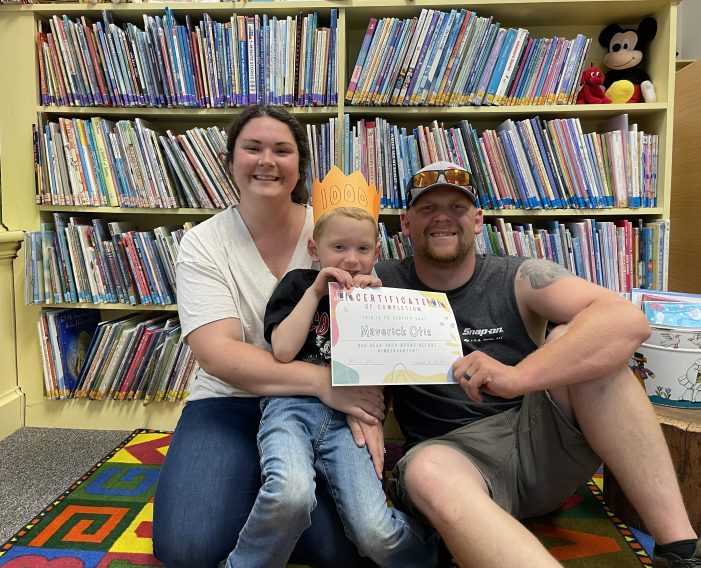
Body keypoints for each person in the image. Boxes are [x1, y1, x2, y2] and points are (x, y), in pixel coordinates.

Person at [375, 160, 701, 568]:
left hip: (537, 441)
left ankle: (681, 551)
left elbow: (626, 321)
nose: (442, 217)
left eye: (457, 208)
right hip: (451, 458)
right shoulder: (377, 281)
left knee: (584, 342)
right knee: (424, 471)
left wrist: (518, 377)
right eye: (427, 208)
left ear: (479, 221)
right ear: (405, 223)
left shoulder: (520, 276)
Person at [152, 105, 386, 568]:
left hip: (324, 411)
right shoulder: (203, 242)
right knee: (187, 549)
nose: (267, 160)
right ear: (230, 160)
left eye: (283, 150)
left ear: (300, 163)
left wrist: (369, 410)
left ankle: (271, 493)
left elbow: (372, 331)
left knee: (345, 551)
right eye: (252, 148)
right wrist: (324, 382)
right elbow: (218, 355)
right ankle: (261, 487)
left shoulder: (337, 230)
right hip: (230, 400)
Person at [223, 204, 437, 567]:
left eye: (363, 249)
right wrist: (316, 293)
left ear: (376, 252)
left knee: (374, 531)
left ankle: (434, 553)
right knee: (290, 494)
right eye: (338, 248)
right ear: (314, 249)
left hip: (346, 423)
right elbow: (284, 350)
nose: (351, 260)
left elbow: (386, 374)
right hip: (290, 407)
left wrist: (380, 308)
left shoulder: (380, 295)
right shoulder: (297, 284)